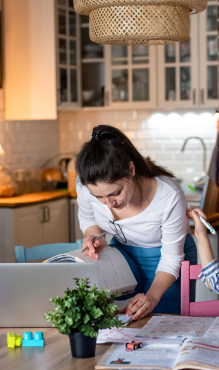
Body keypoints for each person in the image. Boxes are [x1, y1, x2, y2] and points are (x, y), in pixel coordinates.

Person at [75, 125, 197, 319]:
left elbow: (171, 258)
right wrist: (93, 235)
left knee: (162, 324)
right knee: (119, 320)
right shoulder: (85, 184)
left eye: (115, 193)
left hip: (166, 261)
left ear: (131, 170)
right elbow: (89, 217)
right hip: (122, 255)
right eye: (99, 197)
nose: (109, 205)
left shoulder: (169, 195)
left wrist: (153, 295)